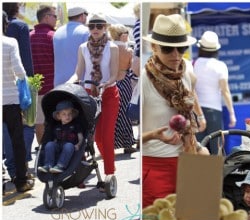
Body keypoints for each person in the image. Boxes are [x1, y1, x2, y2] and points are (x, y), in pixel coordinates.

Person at [142, 14, 209, 208]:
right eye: (167, 48)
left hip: (189, 160)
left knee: (196, 216)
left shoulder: (186, 69)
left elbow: (191, 92)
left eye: (181, 48)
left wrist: (199, 116)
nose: (176, 55)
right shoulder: (145, 81)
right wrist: (153, 135)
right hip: (156, 167)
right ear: (154, 47)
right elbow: (131, 140)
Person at [68, 14, 120, 188]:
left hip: (108, 93)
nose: (95, 29)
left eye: (99, 26)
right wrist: (70, 81)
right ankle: (82, 173)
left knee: (106, 136)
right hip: (89, 93)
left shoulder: (112, 47)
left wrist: (107, 83)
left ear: (105, 27)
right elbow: (78, 72)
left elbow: (114, 74)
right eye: (92, 26)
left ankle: (109, 172)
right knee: (94, 138)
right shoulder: (83, 47)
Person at [2, 10, 34, 192]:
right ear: (6, 24)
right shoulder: (9, 42)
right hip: (10, 99)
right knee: (17, 139)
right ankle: (21, 180)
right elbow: (19, 70)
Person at [193, 30, 236, 155]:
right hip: (214, 111)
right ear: (216, 49)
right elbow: (225, 90)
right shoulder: (220, 66)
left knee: (199, 148)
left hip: (197, 110)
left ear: (200, 48)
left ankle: (198, 174)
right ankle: (217, 174)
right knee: (217, 148)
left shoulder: (193, 64)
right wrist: (232, 113)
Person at [30, 5, 56, 149]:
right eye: (54, 16)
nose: (56, 20)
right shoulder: (53, 36)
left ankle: (42, 152)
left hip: (35, 87)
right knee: (56, 119)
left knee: (38, 121)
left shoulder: (29, 36)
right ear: (46, 17)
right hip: (53, 86)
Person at [108, 23, 136, 154]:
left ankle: (111, 144)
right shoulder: (128, 50)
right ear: (123, 34)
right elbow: (132, 68)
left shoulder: (108, 48)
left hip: (110, 82)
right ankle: (127, 143)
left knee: (112, 114)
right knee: (125, 113)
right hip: (124, 82)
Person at [38, 100, 83, 173]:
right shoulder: (56, 127)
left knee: (68, 146)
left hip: (70, 146)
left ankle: (60, 165)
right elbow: (55, 139)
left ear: (73, 114)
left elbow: (81, 138)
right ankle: (48, 165)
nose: (67, 116)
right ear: (58, 116)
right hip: (59, 145)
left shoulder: (75, 125)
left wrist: (78, 145)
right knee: (49, 144)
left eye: (69, 114)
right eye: (64, 114)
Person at [53, 6, 89, 87]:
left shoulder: (57, 31)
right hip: (78, 83)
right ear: (82, 15)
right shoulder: (85, 31)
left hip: (59, 82)